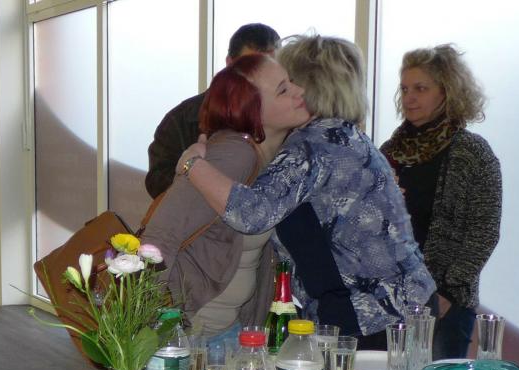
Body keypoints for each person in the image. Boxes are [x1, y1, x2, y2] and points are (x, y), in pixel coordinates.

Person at [178, 36, 436, 348]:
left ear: (310, 87)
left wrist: (192, 164)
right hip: (399, 307)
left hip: (372, 317)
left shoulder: (313, 145)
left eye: (288, 83)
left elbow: (251, 214)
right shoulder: (342, 135)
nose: (291, 92)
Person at [141, 53, 310, 343]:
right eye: (283, 90)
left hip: (226, 330)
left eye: (291, 82)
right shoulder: (235, 155)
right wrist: (147, 331)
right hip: (193, 334)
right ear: (252, 110)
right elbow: (161, 235)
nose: (299, 91)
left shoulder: (272, 158)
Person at [380, 44, 501, 359]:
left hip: (447, 304)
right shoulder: (390, 151)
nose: (409, 98)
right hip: (391, 298)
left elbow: (484, 231)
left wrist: (447, 292)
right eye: (404, 89)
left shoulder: (473, 152)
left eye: (420, 89)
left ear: (447, 92)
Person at [144, 23, 281, 199]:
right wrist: (199, 174)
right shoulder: (183, 118)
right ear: (229, 64)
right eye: (251, 67)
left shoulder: (290, 116)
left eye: (271, 68)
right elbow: (156, 182)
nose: (262, 77)